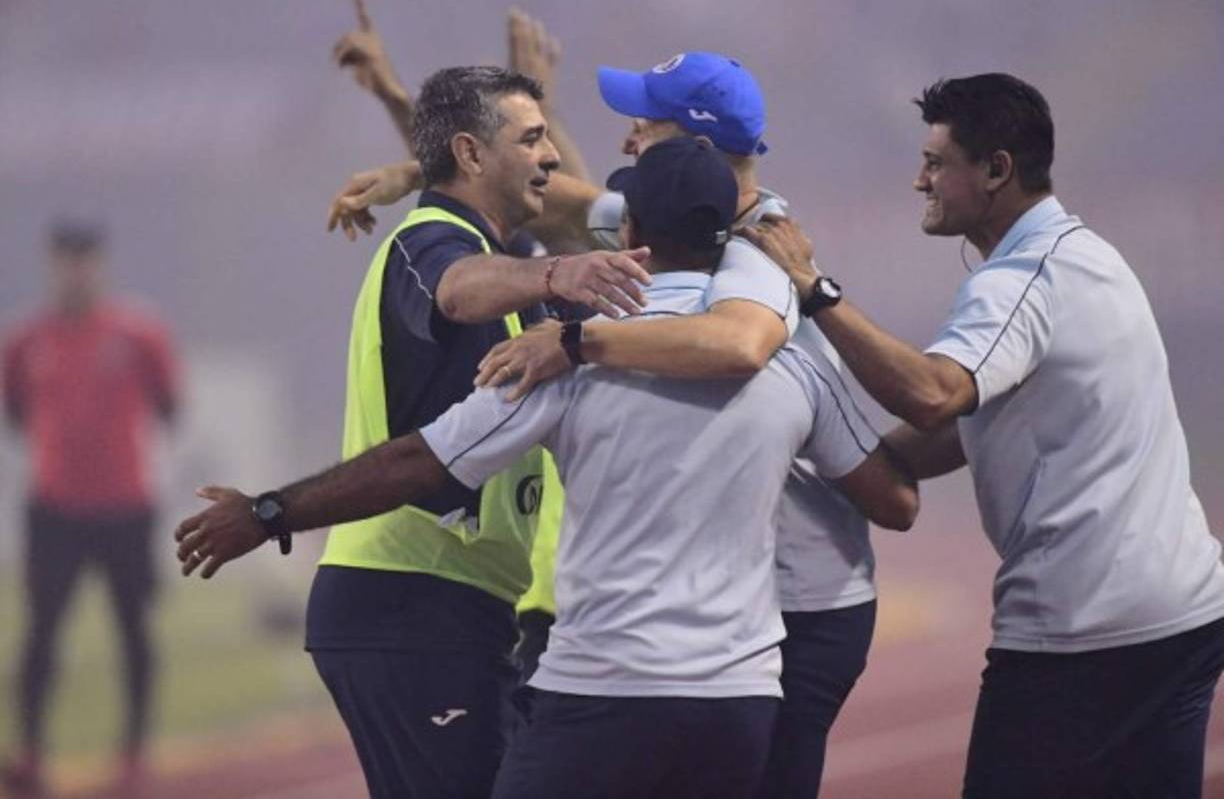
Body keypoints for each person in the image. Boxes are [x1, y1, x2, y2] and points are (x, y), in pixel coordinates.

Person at [175, 136, 919, 798]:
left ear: (629, 231)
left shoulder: (565, 354)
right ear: (729, 237)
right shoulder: (789, 364)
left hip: (600, 691)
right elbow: (893, 500)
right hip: (739, 697)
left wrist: (269, 512)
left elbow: (420, 462)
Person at [745, 72, 1224, 798]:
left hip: (1085, 627)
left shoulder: (1022, 278)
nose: (919, 180)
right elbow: (974, 426)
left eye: (937, 162)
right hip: (1183, 612)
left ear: (997, 169)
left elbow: (938, 396)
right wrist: (855, 471)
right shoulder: (1087, 254)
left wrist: (814, 291)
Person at [244, 64, 649, 799]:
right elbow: (457, 289)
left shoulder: (497, 250)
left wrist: (409, 158)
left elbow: (591, 219)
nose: (554, 154)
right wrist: (562, 275)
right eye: (533, 138)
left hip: (452, 600)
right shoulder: (435, 243)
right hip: (410, 596)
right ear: (470, 155)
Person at [1, 222, 180, 796]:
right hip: (53, 507)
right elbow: (15, 411)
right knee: (41, 633)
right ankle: (30, 751)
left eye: (84, 262)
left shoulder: (138, 332)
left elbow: (169, 405)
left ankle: (134, 752)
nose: (75, 273)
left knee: (133, 630)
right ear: (52, 266)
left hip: (126, 506)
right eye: (65, 262)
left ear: (99, 266)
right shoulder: (25, 338)